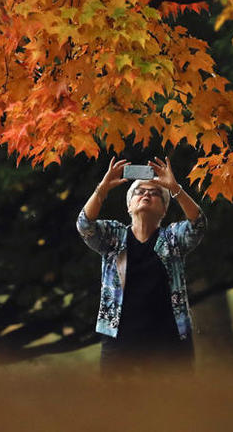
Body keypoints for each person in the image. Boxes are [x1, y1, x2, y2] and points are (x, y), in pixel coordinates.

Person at [76, 156, 206, 374]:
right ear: (129, 205)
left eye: (155, 193)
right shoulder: (114, 236)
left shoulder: (172, 238)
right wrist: (103, 188)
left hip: (170, 341)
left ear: (164, 210)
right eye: (140, 192)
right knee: (117, 403)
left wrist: (175, 189)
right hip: (119, 340)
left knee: (177, 405)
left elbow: (198, 224)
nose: (147, 194)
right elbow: (84, 225)